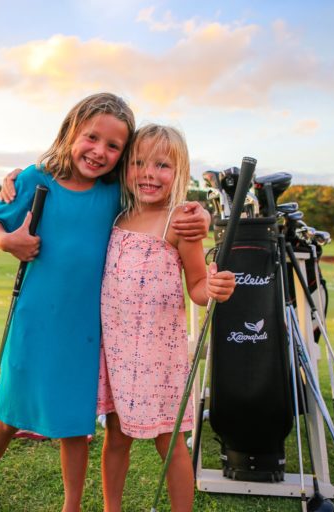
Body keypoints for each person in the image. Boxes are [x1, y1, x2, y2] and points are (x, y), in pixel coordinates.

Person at [0, 93, 208, 512]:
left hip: (89, 330)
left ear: (122, 155)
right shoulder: (36, 178)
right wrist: (7, 240)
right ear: (70, 133)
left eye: (114, 147)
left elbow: (163, 197)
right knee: (9, 410)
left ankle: (73, 505)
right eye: (91, 138)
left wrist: (201, 215)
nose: (100, 151)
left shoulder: (115, 192)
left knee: (75, 425)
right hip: (36, 318)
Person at [96, 124, 236, 512]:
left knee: (169, 441)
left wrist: (215, 288)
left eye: (162, 165)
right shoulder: (115, 216)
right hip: (118, 353)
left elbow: (196, 286)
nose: (149, 174)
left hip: (161, 356)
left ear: (180, 173)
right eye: (138, 163)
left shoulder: (182, 222)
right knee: (116, 436)